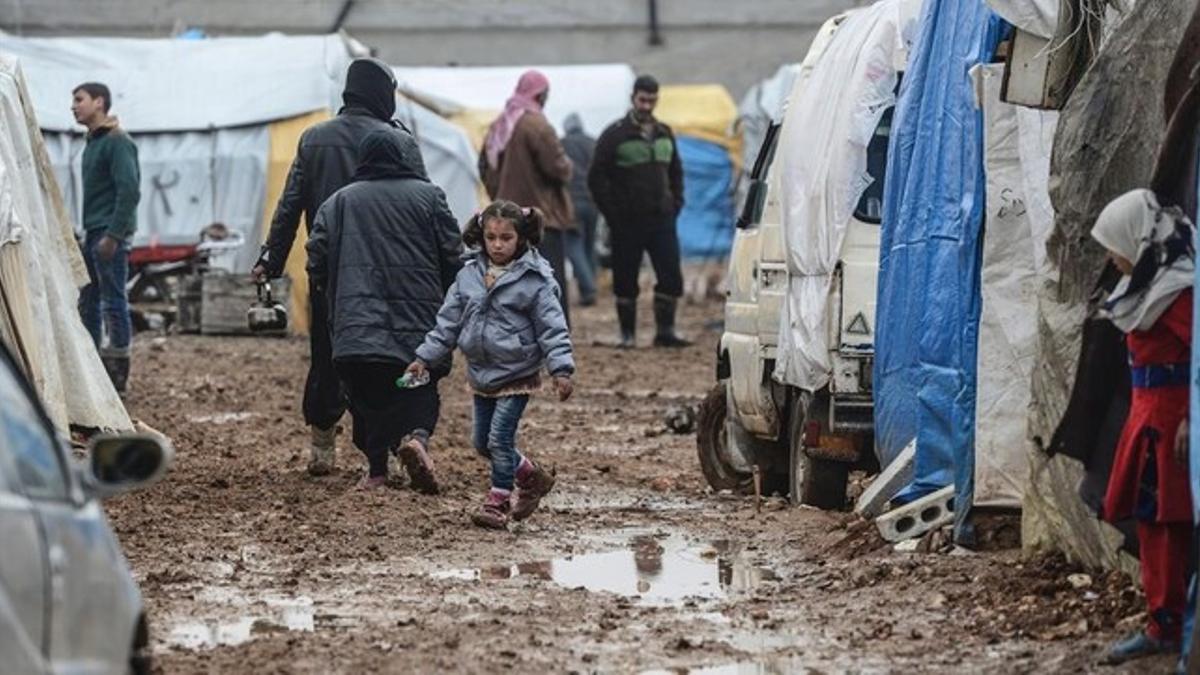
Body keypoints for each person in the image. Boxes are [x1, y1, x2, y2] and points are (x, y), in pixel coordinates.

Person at [253, 57, 427, 477]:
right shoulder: (397, 140)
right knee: (383, 354)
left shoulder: (314, 139)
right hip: (389, 270)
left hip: (327, 272)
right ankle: (384, 449)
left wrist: (269, 260)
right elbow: (422, 202)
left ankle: (322, 446)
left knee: (328, 354)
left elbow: (289, 205)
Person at [305, 129, 462, 491]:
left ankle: (377, 470)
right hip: (418, 323)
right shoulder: (429, 197)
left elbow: (317, 255)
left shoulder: (338, 201)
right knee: (419, 387)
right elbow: (452, 254)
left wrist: (331, 291)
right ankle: (418, 440)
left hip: (357, 326)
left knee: (368, 396)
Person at [406, 200, 574, 529]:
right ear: (481, 235)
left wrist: (561, 369)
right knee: (481, 443)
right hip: (481, 372)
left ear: (521, 238)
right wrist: (424, 358)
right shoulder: (469, 275)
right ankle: (530, 476)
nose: (497, 245)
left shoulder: (534, 279)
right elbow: (448, 323)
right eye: (491, 237)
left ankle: (497, 501)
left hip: (518, 371)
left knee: (499, 440)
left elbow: (553, 326)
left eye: (506, 238)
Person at [1091, 189, 1195, 665]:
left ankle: (1176, 630)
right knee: (1155, 524)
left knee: (1170, 525)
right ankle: (1163, 624)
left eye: (1114, 246)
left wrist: (1192, 420)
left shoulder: (1177, 291)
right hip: (1148, 418)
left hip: (1172, 426)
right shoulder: (1150, 285)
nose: (1112, 258)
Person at [589, 74, 690, 349]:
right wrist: (613, 214)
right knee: (625, 278)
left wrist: (676, 202)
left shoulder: (664, 132)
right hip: (627, 222)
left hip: (662, 219)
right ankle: (627, 334)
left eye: (652, 100)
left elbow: (676, 172)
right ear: (633, 97)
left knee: (670, 275)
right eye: (643, 99)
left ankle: (665, 331)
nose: (647, 106)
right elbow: (597, 178)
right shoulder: (615, 134)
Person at [478, 70, 575, 325]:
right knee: (548, 277)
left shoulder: (500, 124)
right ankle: (553, 329)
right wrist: (569, 167)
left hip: (505, 219)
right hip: (540, 218)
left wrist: (499, 196)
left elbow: (484, 167)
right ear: (540, 94)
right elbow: (558, 168)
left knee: (510, 277)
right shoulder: (537, 125)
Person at [72, 82, 141, 394]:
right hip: (94, 231)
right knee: (88, 300)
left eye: (79, 100)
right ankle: (94, 368)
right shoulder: (93, 142)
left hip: (108, 233)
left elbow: (129, 191)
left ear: (99, 102)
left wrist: (114, 235)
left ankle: (117, 376)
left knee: (114, 301)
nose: (74, 106)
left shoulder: (117, 141)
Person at [561, 113, 598, 306]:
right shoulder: (593, 143)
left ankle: (588, 288)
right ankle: (590, 288)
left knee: (573, 245)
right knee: (589, 246)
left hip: (571, 202)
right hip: (593, 202)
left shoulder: (562, 144)